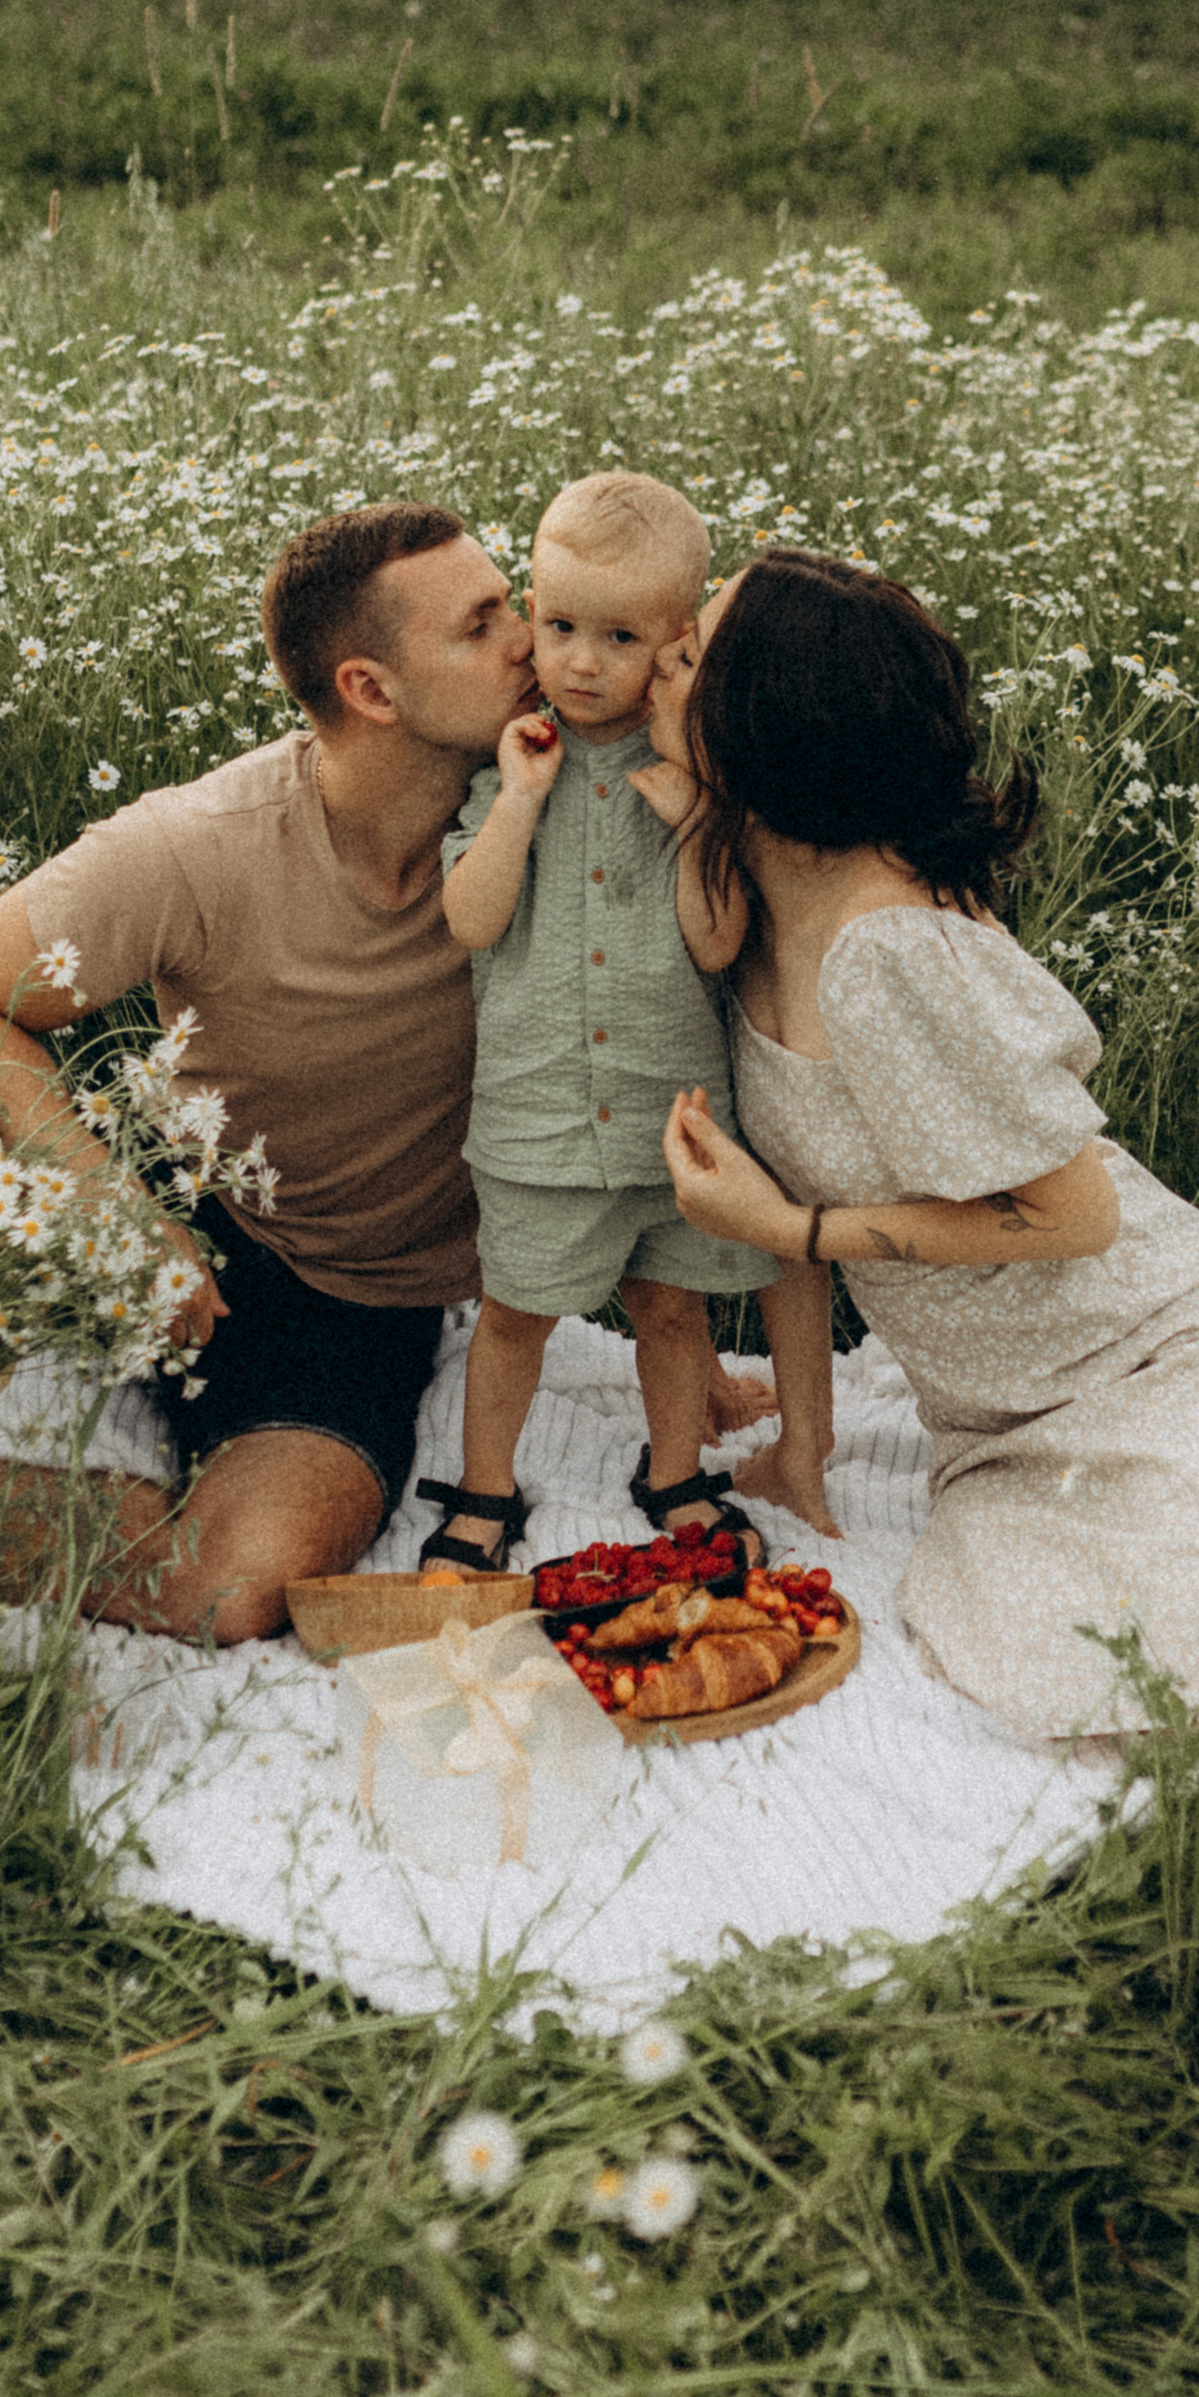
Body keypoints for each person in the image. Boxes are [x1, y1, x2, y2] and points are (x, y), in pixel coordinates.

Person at [651, 550, 1199, 1741]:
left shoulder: (888, 950)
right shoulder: (753, 912)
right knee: (1011, 1627)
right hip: (997, 1417)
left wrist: (794, 1228)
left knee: (1172, 1660)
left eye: (694, 650)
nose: (661, 658)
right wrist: (803, 1446)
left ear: (764, 722)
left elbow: (1078, 1214)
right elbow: (789, 1223)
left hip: (1148, 1358)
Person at [0, 504, 537, 1644]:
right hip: (178, 1202)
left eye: (511, 604)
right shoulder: (200, 844)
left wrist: (673, 1318)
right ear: (371, 690)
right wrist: (110, 1209)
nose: (529, 639)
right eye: (481, 626)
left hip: (357, 1296)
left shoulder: (552, 809)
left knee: (233, 1587)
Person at [422, 471, 824, 1574]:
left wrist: (696, 819)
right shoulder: (512, 761)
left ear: (677, 640)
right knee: (515, 1315)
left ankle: (674, 1474)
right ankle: (484, 1489)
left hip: (670, 1115)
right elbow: (471, 918)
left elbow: (716, 945)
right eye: (558, 627)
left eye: (620, 638)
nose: (582, 663)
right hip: (540, 1114)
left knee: (672, 1311)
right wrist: (518, 802)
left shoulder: (699, 775)